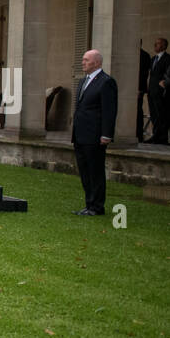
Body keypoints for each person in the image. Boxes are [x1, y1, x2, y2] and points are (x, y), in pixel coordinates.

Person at [71, 48, 117, 216]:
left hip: (95, 135)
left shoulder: (106, 82)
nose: (83, 62)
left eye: (86, 60)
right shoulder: (84, 81)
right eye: (83, 59)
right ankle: (89, 204)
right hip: (80, 135)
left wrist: (106, 134)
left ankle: (97, 206)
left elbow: (109, 110)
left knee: (95, 171)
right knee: (84, 171)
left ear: (96, 62)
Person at [147, 37, 169, 145]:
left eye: (158, 44)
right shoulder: (153, 59)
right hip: (151, 91)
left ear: (164, 46)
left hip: (161, 92)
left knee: (162, 115)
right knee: (154, 115)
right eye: (155, 43)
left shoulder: (168, 59)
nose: (155, 45)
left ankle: (163, 138)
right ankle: (155, 136)